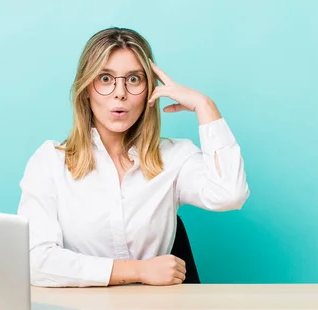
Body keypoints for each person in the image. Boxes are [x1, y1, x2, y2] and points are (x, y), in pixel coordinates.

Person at [17, 27, 249, 288]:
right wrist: (137, 271)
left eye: (134, 79)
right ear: (86, 90)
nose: (120, 93)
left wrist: (204, 105)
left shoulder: (174, 157)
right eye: (105, 78)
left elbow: (230, 194)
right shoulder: (50, 161)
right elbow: (34, 261)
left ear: (150, 91)